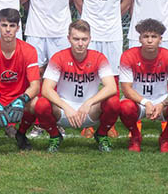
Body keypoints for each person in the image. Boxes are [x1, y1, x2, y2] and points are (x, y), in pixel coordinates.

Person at [36, 20, 120, 153]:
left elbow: (111, 87)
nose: (80, 44)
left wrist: (89, 102)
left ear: (90, 39)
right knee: (41, 104)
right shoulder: (59, 57)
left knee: (114, 101)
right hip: (64, 111)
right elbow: (46, 89)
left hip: (90, 110)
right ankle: (55, 136)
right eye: (76, 39)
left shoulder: (98, 58)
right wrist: (65, 107)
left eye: (84, 39)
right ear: (68, 39)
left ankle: (102, 134)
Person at [0, 8, 41, 151]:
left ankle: (21, 134)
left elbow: (35, 85)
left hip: (18, 96)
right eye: (4, 25)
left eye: (12, 26)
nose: (8, 30)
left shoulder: (29, 50)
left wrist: (22, 99)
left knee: (36, 103)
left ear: (18, 28)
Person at [117, 18, 168, 153]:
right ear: (139, 39)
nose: (150, 40)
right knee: (124, 106)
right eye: (146, 36)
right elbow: (126, 89)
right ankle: (135, 136)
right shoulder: (128, 56)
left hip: (161, 101)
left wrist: (162, 104)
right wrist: (146, 102)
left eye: (154, 37)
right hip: (138, 102)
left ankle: (165, 137)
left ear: (160, 39)